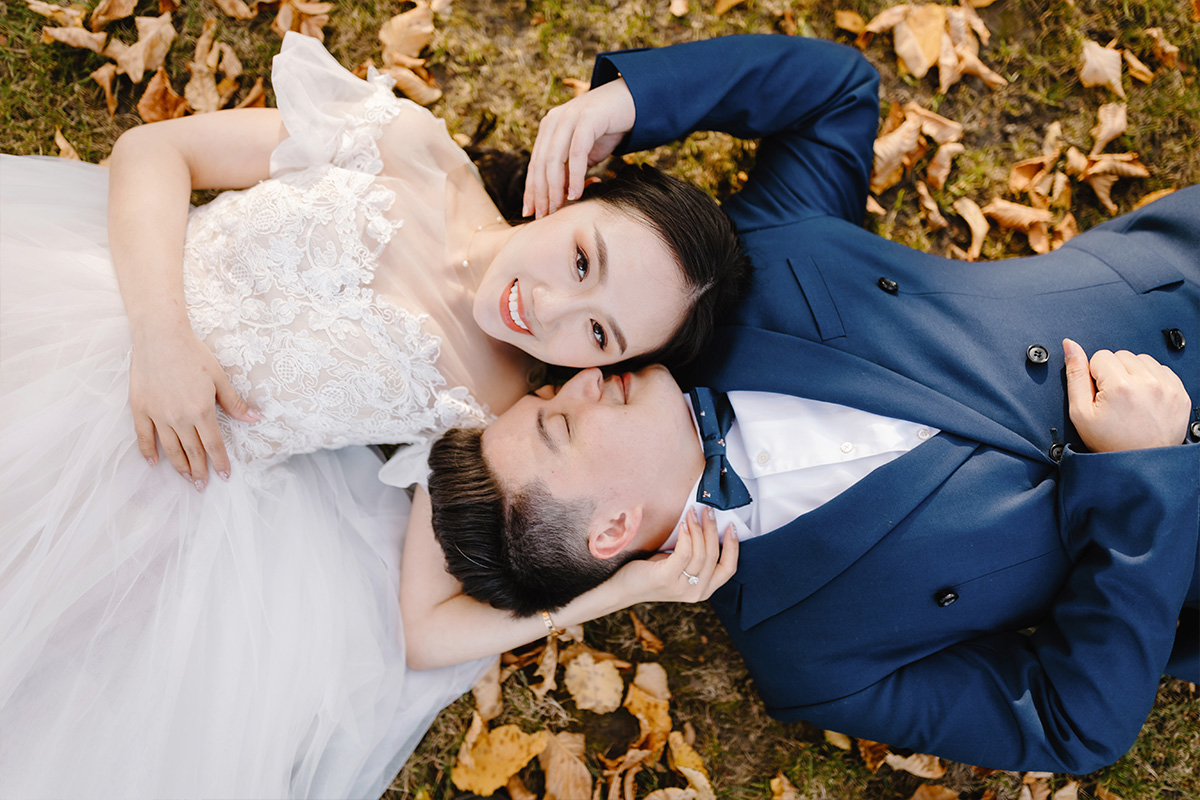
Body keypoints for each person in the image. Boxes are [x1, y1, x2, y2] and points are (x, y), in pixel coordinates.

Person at [0, 32, 747, 798]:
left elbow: (425, 633)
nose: (549, 307)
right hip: (88, 307)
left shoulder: (491, 404)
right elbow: (156, 152)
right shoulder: (405, 144)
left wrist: (619, 593)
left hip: (168, 486)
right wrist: (160, 338)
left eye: (597, 333)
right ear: (577, 194)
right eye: (584, 260)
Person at [427, 34, 1200, 774]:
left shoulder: (740, 277)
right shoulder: (808, 655)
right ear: (613, 530)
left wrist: (628, 103)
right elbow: (1071, 722)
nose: (586, 378)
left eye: (554, 386)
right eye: (561, 422)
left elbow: (835, 94)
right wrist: (1143, 476)